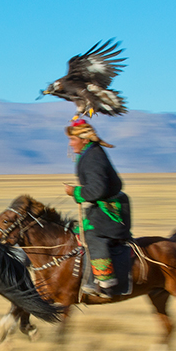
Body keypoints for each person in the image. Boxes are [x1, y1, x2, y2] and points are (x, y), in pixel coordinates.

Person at [63, 119, 131, 298]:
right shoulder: (90, 153)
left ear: (84, 140)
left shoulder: (93, 156)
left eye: (72, 139)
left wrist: (76, 192)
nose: (70, 144)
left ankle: (106, 282)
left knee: (91, 236)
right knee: (76, 232)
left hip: (111, 212)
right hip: (101, 209)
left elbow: (98, 189)